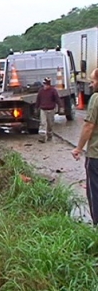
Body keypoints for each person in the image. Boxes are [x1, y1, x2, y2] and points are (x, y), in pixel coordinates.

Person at [72, 68, 98, 225]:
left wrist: (78, 148)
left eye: (94, 80)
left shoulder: (96, 98)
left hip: (96, 156)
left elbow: (89, 126)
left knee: (95, 193)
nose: (92, 84)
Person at [35, 77, 63, 143]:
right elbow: (38, 100)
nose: (45, 86)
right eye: (44, 84)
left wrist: (61, 107)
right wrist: (36, 108)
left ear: (49, 85)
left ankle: (50, 135)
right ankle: (42, 137)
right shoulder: (41, 91)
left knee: (50, 124)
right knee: (43, 123)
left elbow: (57, 99)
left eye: (46, 85)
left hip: (51, 110)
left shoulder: (53, 91)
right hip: (43, 110)